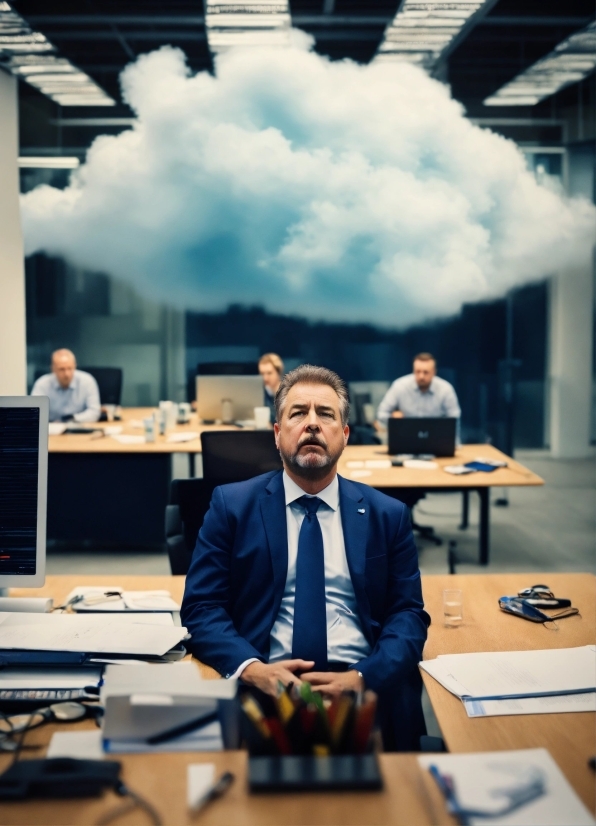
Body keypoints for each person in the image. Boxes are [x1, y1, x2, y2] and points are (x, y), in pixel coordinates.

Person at [181, 364, 430, 751]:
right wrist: (254, 670)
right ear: (277, 435)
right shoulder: (231, 506)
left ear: (345, 435)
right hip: (263, 692)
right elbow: (202, 607)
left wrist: (365, 675)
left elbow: (408, 615)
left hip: (361, 690)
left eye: (326, 414)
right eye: (298, 413)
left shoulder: (388, 514)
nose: (312, 423)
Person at [31, 349, 101, 423]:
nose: (66, 374)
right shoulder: (42, 384)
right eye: (62, 369)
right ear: (53, 369)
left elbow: (94, 412)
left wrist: (72, 419)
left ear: (75, 366)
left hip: (79, 427)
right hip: (51, 429)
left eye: (70, 368)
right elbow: (33, 413)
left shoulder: (87, 381)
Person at [258, 352, 284, 423]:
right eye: (262, 374)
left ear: (278, 372)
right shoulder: (261, 393)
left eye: (269, 373)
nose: (265, 378)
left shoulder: (287, 392)